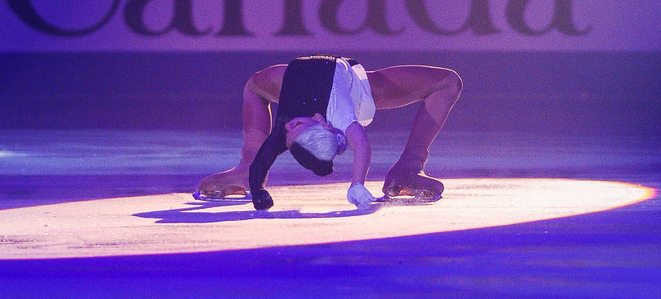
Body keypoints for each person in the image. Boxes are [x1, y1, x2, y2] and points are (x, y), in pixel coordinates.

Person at [197, 55, 463, 211]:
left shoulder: (297, 116)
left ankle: (245, 167)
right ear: (324, 124)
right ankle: (409, 168)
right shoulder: (340, 113)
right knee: (447, 81)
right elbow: (361, 144)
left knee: (256, 84)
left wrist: (253, 166)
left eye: (291, 127)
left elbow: (256, 91)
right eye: (294, 129)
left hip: (325, 80)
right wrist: (356, 185)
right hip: (355, 88)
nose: (288, 124)